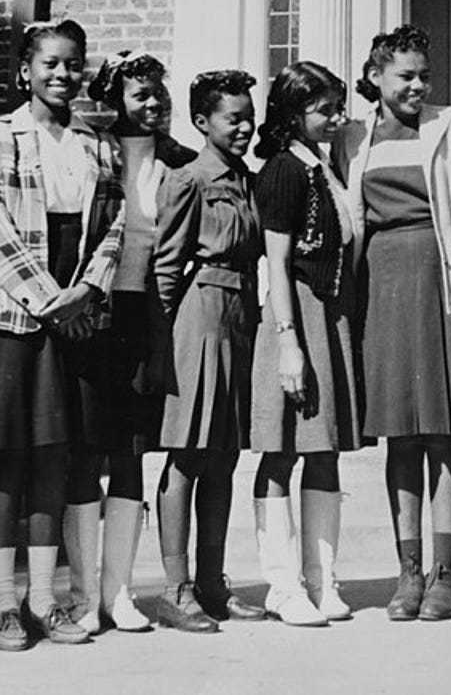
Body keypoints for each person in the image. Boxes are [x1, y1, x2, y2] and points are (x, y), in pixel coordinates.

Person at [0, 19, 123, 650]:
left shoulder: (97, 143)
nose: (62, 75)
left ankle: (42, 600)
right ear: (25, 71)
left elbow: (113, 224)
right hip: (15, 312)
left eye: (73, 64)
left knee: (58, 456)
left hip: (77, 310)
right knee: (12, 463)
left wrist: (86, 290)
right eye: (50, 65)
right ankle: (1, 603)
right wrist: (45, 300)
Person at [335, 25, 451, 622]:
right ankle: (409, 572)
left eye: (424, 75)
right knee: (400, 434)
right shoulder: (353, 135)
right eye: (405, 76)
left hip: (439, 279)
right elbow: (350, 217)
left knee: (443, 432)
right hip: (379, 283)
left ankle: (446, 574)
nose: (418, 85)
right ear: (376, 77)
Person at [59, 50, 195, 635]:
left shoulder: (181, 161)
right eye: (140, 94)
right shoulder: (93, 149)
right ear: (115, 100)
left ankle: (120, 591)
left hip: (148, 313)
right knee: (89, 450)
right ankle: (84, 593)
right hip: (98, 307)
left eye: (158, 93)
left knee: (133, 451)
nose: (153, 103)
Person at [151, 70, 266, 634]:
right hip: (198, 316)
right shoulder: (188, 179)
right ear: (202, 122)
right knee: (188, 450)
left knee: (224, 454)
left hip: (242, 315)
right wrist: (160, 343)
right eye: (232, 117)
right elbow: (167, 268)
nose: (244, 126)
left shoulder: (248, 179)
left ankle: (213, 583)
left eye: (249, 115)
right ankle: (175, 589)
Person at [251, 61, 361, 627]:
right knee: (283, 447)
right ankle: (282, 584)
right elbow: (277, 263)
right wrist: (288, 343)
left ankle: (322, 579)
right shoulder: (283, 171)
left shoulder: (325, 167)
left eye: (338, 107)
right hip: (294, 316)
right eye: (324, 110)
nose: (335, 119)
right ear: (294, 115)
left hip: (329, 316)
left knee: (324, 448)